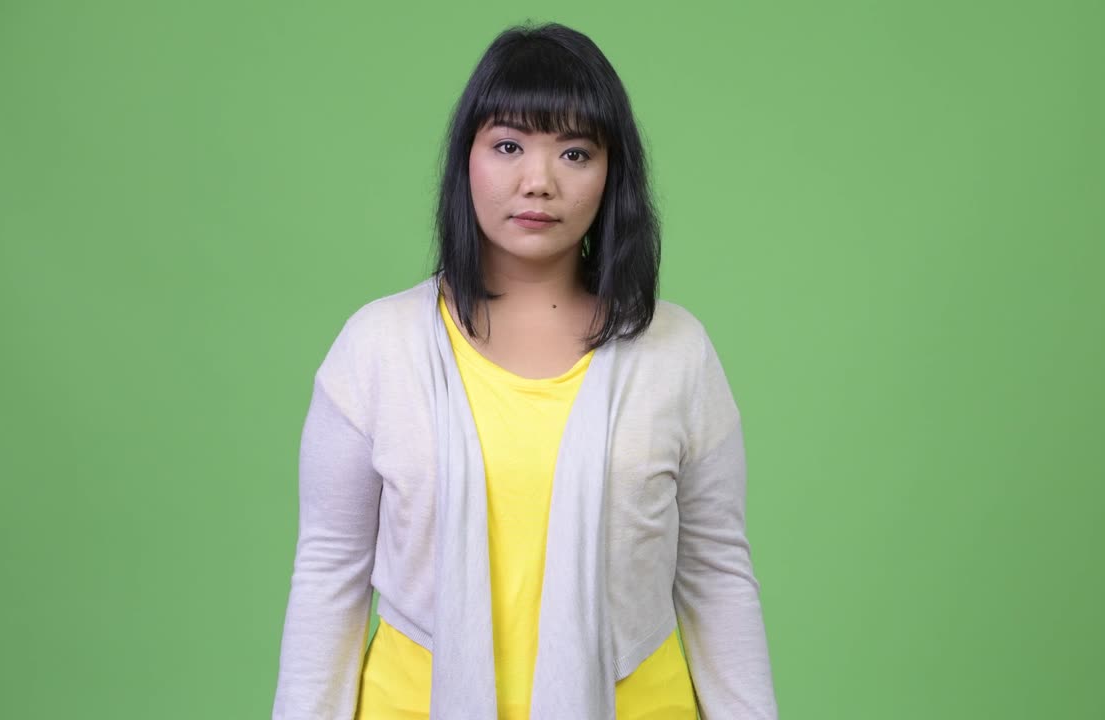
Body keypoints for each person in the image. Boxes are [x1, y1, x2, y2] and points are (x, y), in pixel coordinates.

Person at [271, 21, 779, 720]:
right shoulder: (377, 349)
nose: (537, 182)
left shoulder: (676, 351)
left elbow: (717, 578)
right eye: (508, 145)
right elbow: (330, 574)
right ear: (466, 161)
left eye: (575, 152)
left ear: (612, 174)